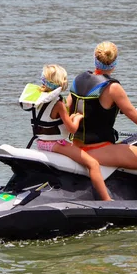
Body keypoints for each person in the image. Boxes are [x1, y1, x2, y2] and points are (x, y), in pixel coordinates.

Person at [66, 41, 137, 200]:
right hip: (98, 149)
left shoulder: (79, 80)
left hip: (76, 146)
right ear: (114, 63)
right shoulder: (113, 88)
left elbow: (70, 108)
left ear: (95, 58)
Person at [32, 64, 112, 201]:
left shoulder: (41, 100)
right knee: (93, 164)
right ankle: (107, 199)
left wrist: (70, 118)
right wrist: (78, 117)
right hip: (55, 144)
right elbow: (72, 129)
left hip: (41, 143)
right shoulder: (59, 104)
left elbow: (52, 120)